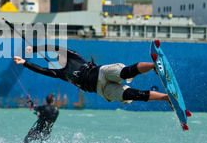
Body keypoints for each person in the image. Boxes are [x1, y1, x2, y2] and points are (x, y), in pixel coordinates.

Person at [13, 45, 170, 105]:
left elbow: (53, 47)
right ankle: (166, 97)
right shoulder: (59, 73)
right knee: (133, 94)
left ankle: (154, 66)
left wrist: (34, 49)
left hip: (102, 72)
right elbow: (42, 70)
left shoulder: (73, 56)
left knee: (125, 72)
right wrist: (24, 63)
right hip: (101, 90)